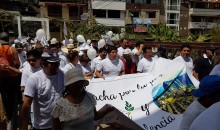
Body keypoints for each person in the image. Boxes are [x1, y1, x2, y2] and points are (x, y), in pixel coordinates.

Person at [21, 52, 65, 130]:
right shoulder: (34, 79)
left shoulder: (62, 75)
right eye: (53, 64)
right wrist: (24, 127)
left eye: (57, 63)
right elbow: (26, 105)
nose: (57, 67)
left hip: (60, 124)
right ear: (43, 64)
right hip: (42, 126)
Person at [0, 32, 20, 130]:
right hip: (12, 78)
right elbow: (18, 64)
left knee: (3, 101)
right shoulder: (12, 49)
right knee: (13, 102)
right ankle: (11, 120)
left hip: (1, 79)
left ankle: (4, 118)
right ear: (8, 39)